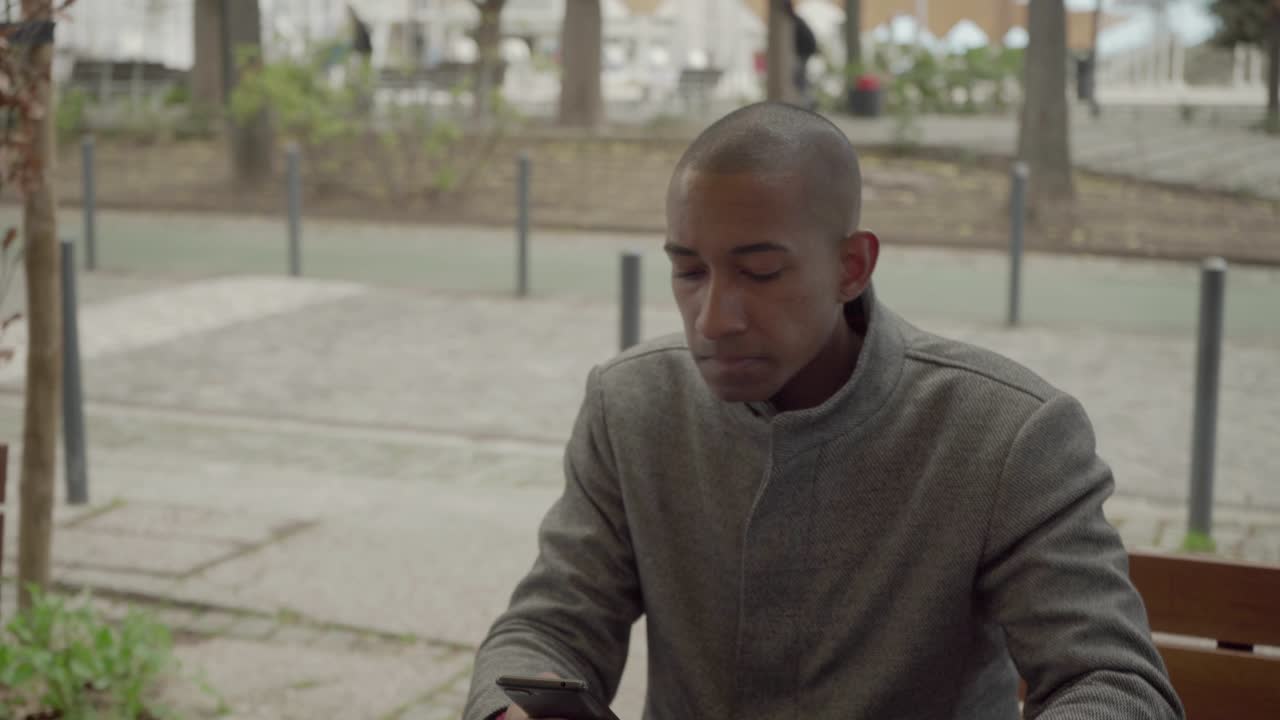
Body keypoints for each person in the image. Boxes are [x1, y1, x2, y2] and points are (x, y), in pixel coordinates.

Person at [463, 102, 1183, 720]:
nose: (712, 317)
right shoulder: (631, 406)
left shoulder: (1007, 434)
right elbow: (551, 626)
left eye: (761, 271)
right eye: (688, 271)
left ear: (852, 267)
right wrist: (510, 707)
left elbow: (1113, 682)